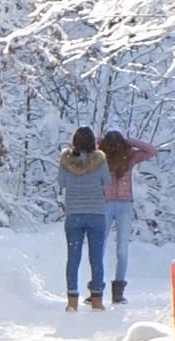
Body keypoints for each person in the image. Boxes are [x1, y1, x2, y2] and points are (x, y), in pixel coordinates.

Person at [58, 129, 111, 307]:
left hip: (74, 214)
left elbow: (62, 182)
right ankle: (97, 299)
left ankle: (72, 300)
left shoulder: (66, 161)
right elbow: (107, 181)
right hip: (96, 213)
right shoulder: (100, 161)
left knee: (73, 258)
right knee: (96, 257)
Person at [98, 127, 151, 302]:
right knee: (100, 247)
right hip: (105, 204)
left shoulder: (129, 157)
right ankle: (97, 286)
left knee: (121, 249)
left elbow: (151, 150)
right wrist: (101, 141)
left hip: (124, 204)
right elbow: (85, 146)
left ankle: (118, 289)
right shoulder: (100, 157)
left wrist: (131, 142)